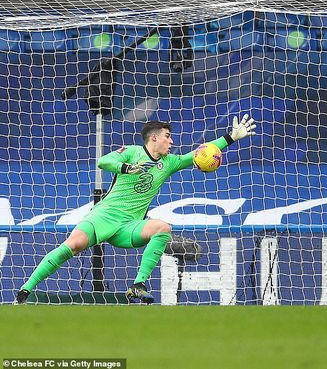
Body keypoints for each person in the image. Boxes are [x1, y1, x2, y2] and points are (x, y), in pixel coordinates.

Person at [15, 115, 257, 304]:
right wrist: (126, 168)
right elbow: (103, 162)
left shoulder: (169, 163)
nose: (171, 141)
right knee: (73, 246)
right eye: (167, 136)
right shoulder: (132, 152)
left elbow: (196, 154)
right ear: (154, 138)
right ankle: (26, 289)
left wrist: (230, 138)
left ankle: (138, 285)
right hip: (104, 216)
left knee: (163, 228)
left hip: (129, 226)